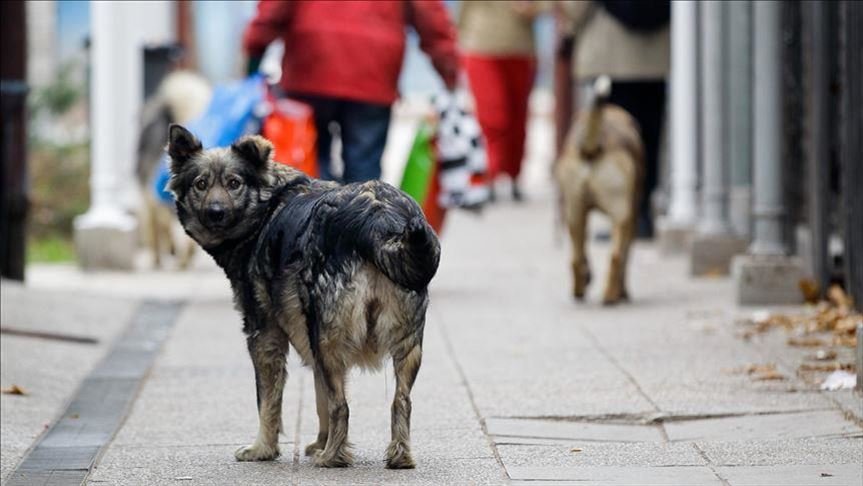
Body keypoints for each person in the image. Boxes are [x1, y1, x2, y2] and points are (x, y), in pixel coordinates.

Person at [243, 0, 459, 184]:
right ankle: (359, 228)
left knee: (307, 162)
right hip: (373, 74)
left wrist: (254, 51)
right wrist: (449, 71)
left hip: (311, 68)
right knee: (363, 172)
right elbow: (430, 16)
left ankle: (312, 223)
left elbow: (273, 9)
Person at [562, 0, 670, 238]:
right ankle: (642, 213)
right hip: (655, 57)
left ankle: (622, 217)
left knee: (613, 145)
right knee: (647, 142)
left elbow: (575, 9)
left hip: (609, 56)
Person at [458, 0, 543, 202]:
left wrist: (535, 8)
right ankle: (490, 175)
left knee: (518, 117)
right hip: (480, 44)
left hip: (520, 46)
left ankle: (514, 174)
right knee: (492, 115)